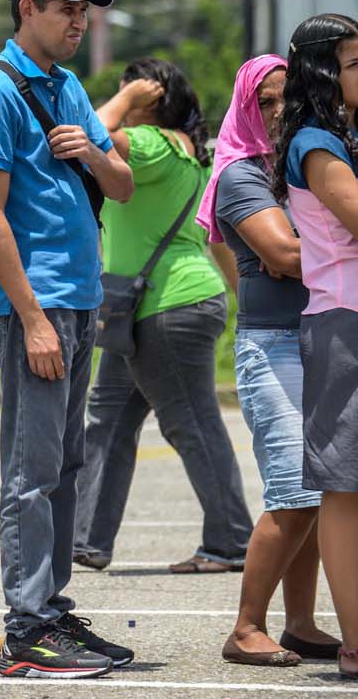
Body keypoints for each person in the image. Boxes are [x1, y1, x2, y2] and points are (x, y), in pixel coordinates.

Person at [0, 0, 136, 678]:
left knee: (65, 462)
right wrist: (31, 317)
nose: (79, 19)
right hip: (37, 305)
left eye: (84, 8)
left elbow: (122, 184)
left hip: (82, 297)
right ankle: (27, 624)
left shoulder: (66, 86)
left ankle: (53, 607)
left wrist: (90, 155)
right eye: (66, 7)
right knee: (31, 470)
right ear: (26, 9)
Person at [73, 58, 252, 572]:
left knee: (192, 424)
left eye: (128, 92)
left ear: (150, 99)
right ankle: (86, 538)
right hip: (143, 307)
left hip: (166, 307)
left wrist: (126, 102)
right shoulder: (190, 153)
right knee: (107, 417)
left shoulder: (152, 146)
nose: (120, 99)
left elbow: (86, 133)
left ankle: (231, 541)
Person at [200, 54, 339, 665]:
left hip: (323, 340)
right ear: (245, 107)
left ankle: (302, 623)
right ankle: (245, 627)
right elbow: (283, 254)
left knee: (317, 487)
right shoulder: (238, 174)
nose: (280, 111)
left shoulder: (305, 164)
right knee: (292, 490)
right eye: (266, 101)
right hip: (275, 345)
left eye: (290, 98)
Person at [272, 12, 358, 681]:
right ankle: (354, 641)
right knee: (345, 487)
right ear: (325, 71)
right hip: (342, 324)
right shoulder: (316, 141)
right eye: (355, 64)